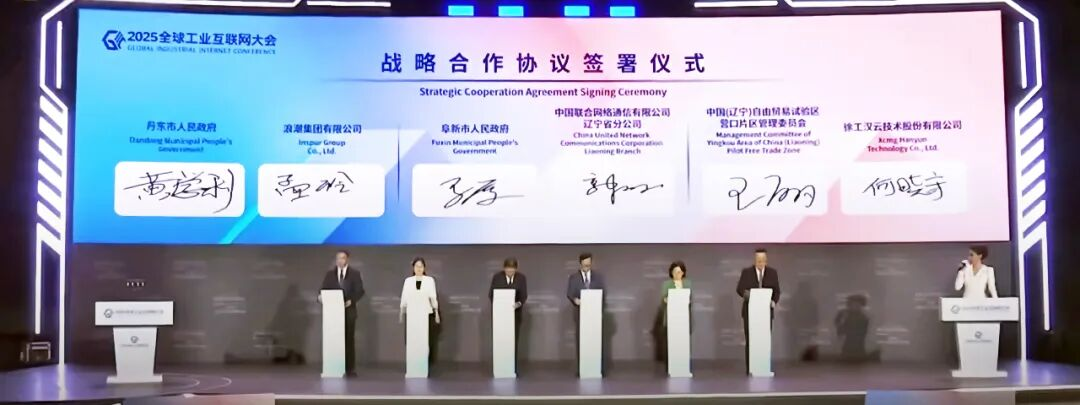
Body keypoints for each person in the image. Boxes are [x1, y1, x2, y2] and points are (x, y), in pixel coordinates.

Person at [319, 250, 365, 376]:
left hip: (349, 311)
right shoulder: (330, 274)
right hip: (333, 313)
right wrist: (321, 297)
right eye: (338, 258)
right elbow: (323, 290)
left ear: (347, 260)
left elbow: (360, 291)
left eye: (343, 258)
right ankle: (334, 366)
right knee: (334, 339)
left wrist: (351, 300)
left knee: (349, 339)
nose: (340, 260)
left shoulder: (355, 274)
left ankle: (350, 368)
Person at [735, 248, 781, 374]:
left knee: (764, 341)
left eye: (762, 260)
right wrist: (752, 297)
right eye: (758, 260)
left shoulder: (772, 273)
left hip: (766, 313)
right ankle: (750, 369)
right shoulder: (746, 272)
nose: (760, 262)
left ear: (766, 260)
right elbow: (739, 289)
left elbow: (777, 291)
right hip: (750, 313)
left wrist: (773, 301)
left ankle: (763, 368)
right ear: (754, 260)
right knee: (751, 341)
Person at [566, 252, 606, 375]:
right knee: (581, 341)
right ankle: (582, 368)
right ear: (580, 264)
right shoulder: (573, 278)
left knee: (595, 341)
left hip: (594, 315)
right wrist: (575, 300)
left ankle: (596, 368)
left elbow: (603, 293)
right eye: (584, 265)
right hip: (580, 314)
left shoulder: (598, 277)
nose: (587, 267)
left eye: (588, 265)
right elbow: (569, 293)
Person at [488, 257, 528, 370]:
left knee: (513, 341)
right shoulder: (497, 277)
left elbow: (524, 296)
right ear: (504, 268)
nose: (510, 271)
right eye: (507, 269)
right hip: (500, 315)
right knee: (501, 342)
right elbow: (491, 295)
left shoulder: (521, 278)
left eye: (512, 269)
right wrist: (499, 306)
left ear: (516, 269)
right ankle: (500, 367)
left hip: (515, 315)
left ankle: (512, 367)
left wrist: (517, 304)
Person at [400, 257, 440, 365]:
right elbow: (404, 298)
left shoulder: (429, 280)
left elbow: (433, 297)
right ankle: (413, 365)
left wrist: (436, 312)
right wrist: (401, 312)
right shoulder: (408, 281)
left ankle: (424, 365)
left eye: (421, 266)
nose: (419, 268)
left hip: (425, 314)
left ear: (424, 268)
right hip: (412, 315)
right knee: (413, 341)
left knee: (425, 341)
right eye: (417, 266)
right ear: (413, 268)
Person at [655, 261, 692, 362]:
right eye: (674, 272)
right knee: (670, 347)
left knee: (683, 347)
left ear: (683, 272)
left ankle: (683, 364)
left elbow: (689, 299)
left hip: (684, 320)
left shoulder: (687, 283)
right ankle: (669, 365)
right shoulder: (666, 284)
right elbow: (664, 299)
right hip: (670, 319)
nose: (677, 274)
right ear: (671, 272)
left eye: (679, 272)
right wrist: (670, 299)